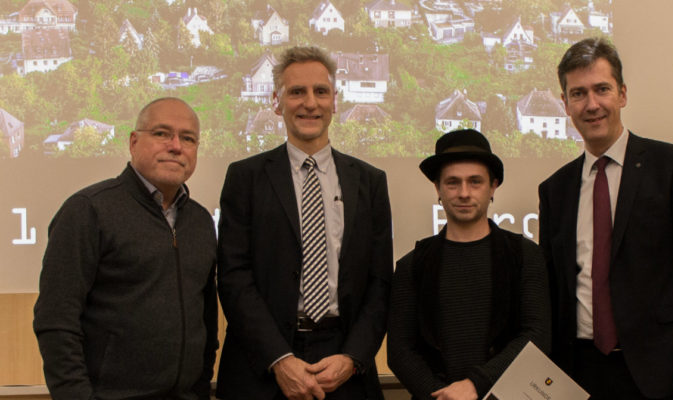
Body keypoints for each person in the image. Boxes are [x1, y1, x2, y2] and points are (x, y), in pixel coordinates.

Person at [539, 37, 673, 400]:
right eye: (578, 93)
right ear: (565, 104)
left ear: (622, 94)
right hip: (578, 374)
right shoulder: (555, 189)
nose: (592, 104)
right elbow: (554, 289)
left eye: (602, 89)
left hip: (659, 375)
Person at [215, 46, 393, 400]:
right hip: (262, 369)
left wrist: (352, 358)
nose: (310, 103)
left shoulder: (370, 181)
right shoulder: (244, 177)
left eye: (320, 91)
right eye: (297, 92)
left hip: (346, 370)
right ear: (276, 102)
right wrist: (279, 359)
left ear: (334, 101)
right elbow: (234, 276)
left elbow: (380, 282)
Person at [34, 97, 219, 400]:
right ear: (134, 142)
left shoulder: (200, 221)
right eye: (161, 134)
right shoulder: (89, 210)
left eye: (188, 138)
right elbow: (56, 320)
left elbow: (206, 323)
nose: (176, 146)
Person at [388, 129, 550, 400]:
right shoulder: (412, 265)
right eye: (453, 183)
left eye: (475, 182)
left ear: (493, 186)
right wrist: (441, 396)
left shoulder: (524, 256)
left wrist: (476, 385)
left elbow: (537, 335)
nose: (464, 193)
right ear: (437, 188)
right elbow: (400, 352)